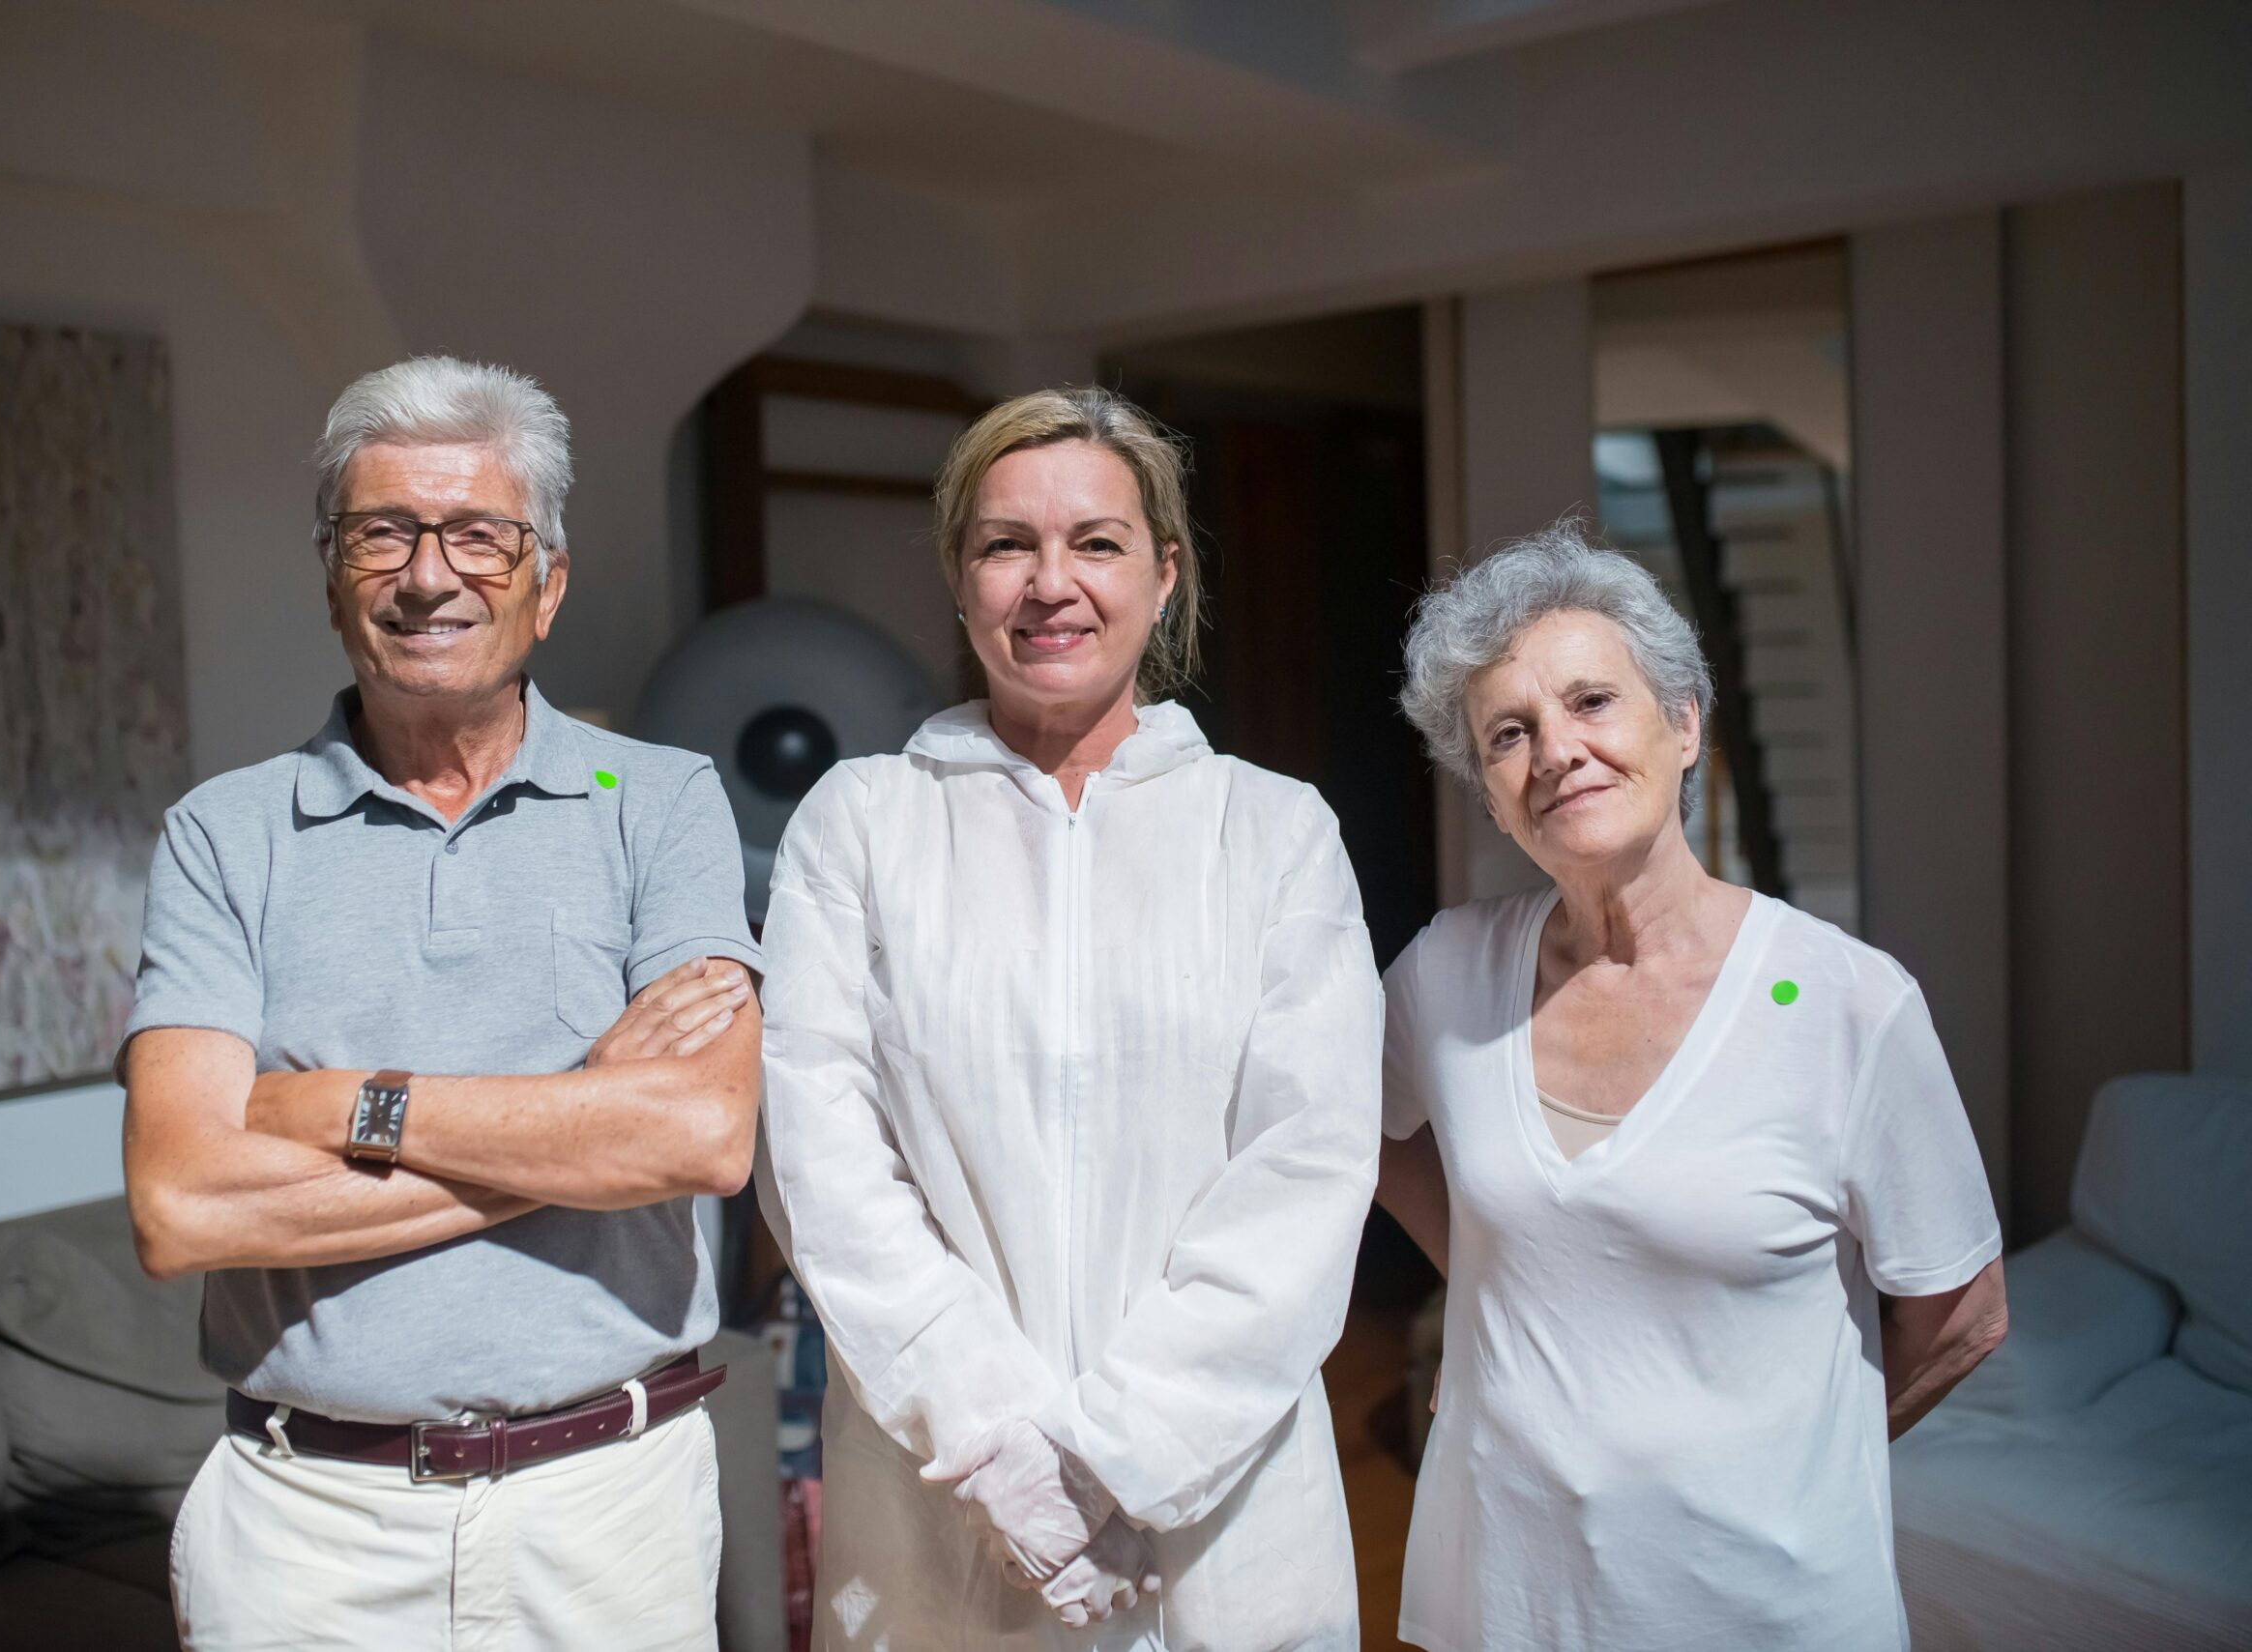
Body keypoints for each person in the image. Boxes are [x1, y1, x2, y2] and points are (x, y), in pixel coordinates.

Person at [120, 356, 761, 1651]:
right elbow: (184, 1207)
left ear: (548, 582)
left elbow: (701, 1138)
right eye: (383, 533)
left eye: (478, 533)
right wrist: (584, 1118)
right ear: (331, 574)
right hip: (310, 1523)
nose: (427, 575)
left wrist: (340, 1103)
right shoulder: (222, 835)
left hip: (610, 1508)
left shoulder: (666, 801)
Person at [755, 387, 1383, 1649]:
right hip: (942, 1507)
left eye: (1096, 542)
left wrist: (1113, 1456)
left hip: (1222, 1515)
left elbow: (1304, 1174)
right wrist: (1001, 1448)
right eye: (1007, 545)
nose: (1052, 583)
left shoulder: (1273, 833)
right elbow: (820, 1160)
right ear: (959, 577)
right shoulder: (862, 823)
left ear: (1165, 572)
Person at [1375, 522, 2010, 1652]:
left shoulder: (1847, 1003)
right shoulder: (1445, 973)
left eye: (1591, 701)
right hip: (1510, 1588)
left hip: (1761, 1605)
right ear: (1492, 797)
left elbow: (1962, 1314)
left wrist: (1799, 1460)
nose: (1556, 750)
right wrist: (1486, 1288)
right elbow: (1361, 1135)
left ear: (1682, 724)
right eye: (1509, 734)